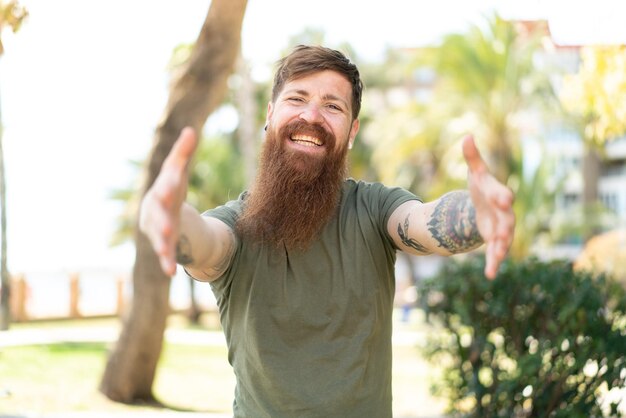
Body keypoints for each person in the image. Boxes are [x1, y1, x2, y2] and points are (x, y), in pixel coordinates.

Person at [139, 45, 515, 417]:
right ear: (270, 116)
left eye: (332, 106)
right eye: (297, 98)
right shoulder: (236, 224)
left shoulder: (375, 208)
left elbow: (422, 222)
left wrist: (475, 215)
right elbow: (205, 243)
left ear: (351, 132)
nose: (312, 116)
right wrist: (172, 218)